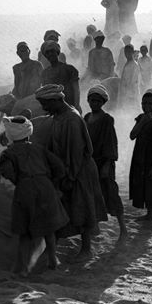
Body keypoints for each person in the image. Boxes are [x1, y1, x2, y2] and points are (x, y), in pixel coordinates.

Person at [34, 84, 105, 261]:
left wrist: (69, 176)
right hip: (67, 168)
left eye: (45, 104)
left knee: (83, 206)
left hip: (79, 170)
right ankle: (51, 249)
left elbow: (75, 153)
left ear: (56, 100)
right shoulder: (59, 115)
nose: (44, 108)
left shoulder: (71, 119)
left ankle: (86, 249)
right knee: (64, 208)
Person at [0, 115, 68, 274]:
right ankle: (52, 260)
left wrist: (19, 181)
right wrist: (52, 182)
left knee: (25, 231)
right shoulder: (39, 148)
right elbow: (59, 167)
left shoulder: (8, 154)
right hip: (45, 187)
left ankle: (23, 268)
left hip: (25, 188)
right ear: (28, 134)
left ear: (10, 135)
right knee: (49, 228)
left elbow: (7, 172)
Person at [84, 85, 126, 235]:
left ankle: (123, 228)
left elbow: (111, 142)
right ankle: (95, 227)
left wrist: (107, 165)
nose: (94, 103)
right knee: (93, 194)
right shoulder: (87, 118)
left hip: (104, 163)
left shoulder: (107, 120)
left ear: (103, 102)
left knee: (110, 193)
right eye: (92, 100)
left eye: (97, 101)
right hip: (91, 163)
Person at [129, 89, 152, 222]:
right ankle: (149, 215)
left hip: (151, 160)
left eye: (150, 104)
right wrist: (143, 122)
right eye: (144, 103)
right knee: (143, 185)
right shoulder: (141, 118)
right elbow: (132, 135)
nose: (147, 106)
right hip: (140, 158)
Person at [41, 41, 81, 113]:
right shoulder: (45, 73)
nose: (50, 54)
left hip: (70, 107)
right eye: (47, 52)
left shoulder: (69, 69)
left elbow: (76, 90)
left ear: (57, 52)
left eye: (52, 51)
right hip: (53, 110)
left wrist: (77, 106)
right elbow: (46, 93)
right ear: (45, 56)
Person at [119, 44, 141, 110]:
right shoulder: (127, 63)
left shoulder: (134, 65)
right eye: (125, 52)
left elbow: (133, 82)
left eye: (128, 52)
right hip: (125, 94)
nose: (126, 54)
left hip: (131, 95)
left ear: (132, 52)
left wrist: (129, 96)